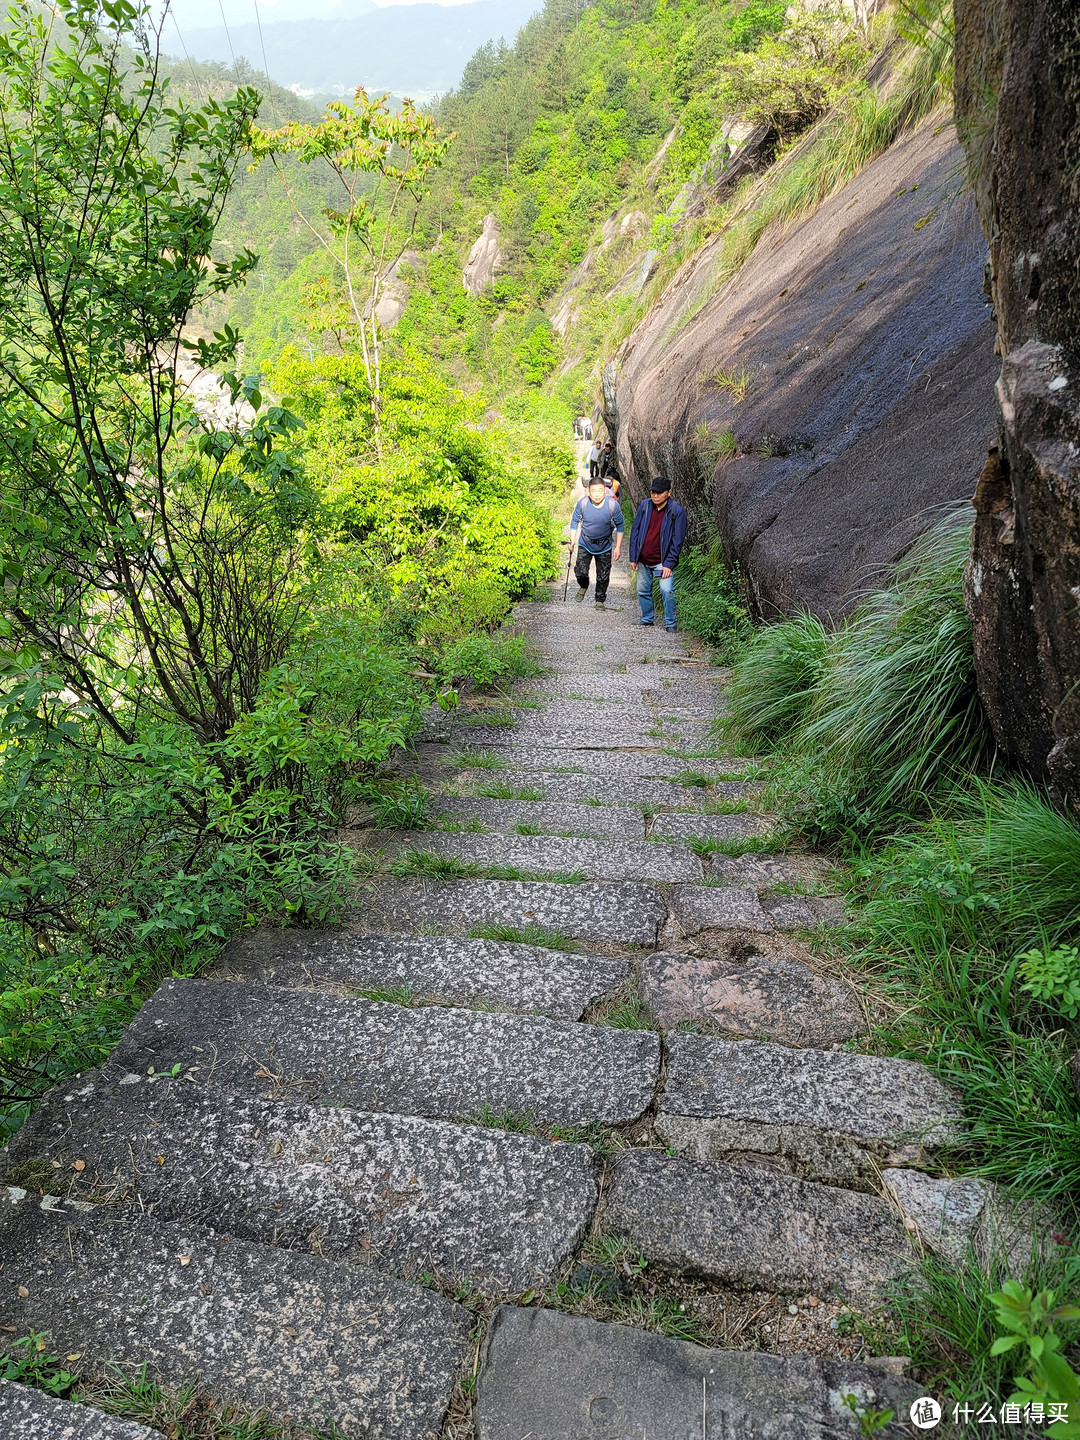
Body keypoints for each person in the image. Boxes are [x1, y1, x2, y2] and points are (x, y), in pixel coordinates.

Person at [628, 476, 688, 630]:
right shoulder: (645, 506)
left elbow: (677, 540)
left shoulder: (677, 511)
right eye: (653, 492)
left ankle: (671, 624)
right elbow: (636, 531)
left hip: (663, 561)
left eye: (659, 493)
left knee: (667, 590)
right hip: (643, 559)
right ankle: (647, 618)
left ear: (669, 492)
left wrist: (669, 564)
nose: (655, 496)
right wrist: (633, 557)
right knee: (642, 590)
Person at [569, 477, 625, 610]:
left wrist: (617, 547)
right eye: (594, 491)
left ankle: (600, 599)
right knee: (580, 571)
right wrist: (572, 542)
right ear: (588, 491)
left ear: (605, 491)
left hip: (605, 545)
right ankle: (584, 585)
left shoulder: (613, 505)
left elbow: (620, 526)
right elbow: (574, 522)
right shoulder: (582, 504)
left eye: (600, 490)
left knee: (603, 575)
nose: (597, 494)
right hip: (585, 542)